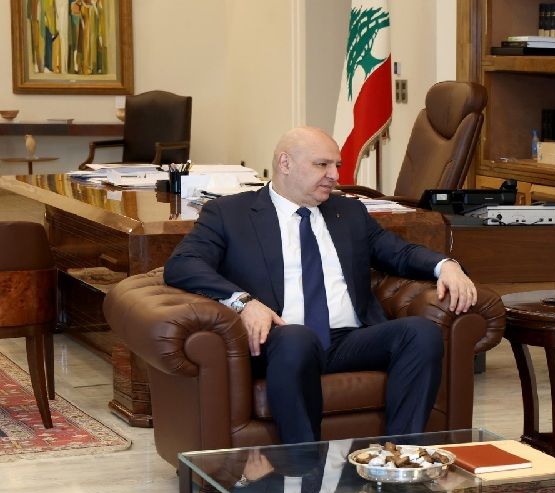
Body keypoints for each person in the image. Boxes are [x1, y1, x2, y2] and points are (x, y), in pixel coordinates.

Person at [164, 126, 477, 445]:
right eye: (321, 165)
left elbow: (398, 252)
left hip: (348, 339)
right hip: (282, 338)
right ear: (285, 163)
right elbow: (183, 264)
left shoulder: (348, 211)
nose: (334, 176)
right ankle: (304, 465)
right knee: (296, 339)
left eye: (337, 166)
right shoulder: (231, 213)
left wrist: (445, 265)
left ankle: (399, 457)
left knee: (420, 333)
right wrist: (244, 302)